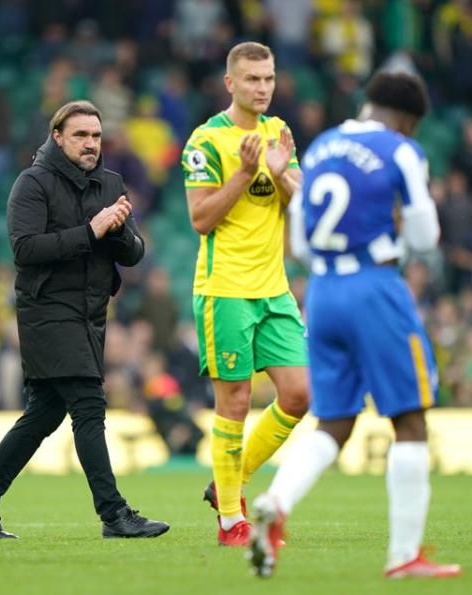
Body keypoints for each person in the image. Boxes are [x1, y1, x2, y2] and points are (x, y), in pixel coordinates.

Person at [247, 72, 461, 580]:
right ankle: (403, 556)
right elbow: (428, 237)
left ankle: (276, 502)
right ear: (409, 120)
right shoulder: (401, 150)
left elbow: (297, 243)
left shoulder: (322, 148)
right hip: (374, 287)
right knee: (409, 418)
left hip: (323, 294)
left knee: (335, 421)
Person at [0, 100, 169, 540]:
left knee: (43, 415)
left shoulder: (109, 183)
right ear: (58, 137)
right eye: (80, 136)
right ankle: (114, 514)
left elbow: (133, 253)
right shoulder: (31, 183)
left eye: (95, 136)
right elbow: (26, 250)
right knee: (89, 405)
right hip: (47, 310)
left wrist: (121, 232)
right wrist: (92, 230)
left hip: (90, 315)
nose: (91, 144)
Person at [180, 41, 310, 546]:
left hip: (274, 288)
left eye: (269, 79)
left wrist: (279, 173)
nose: (262, 88)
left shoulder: (279, 132)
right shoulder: (205, 140)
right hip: (225, 289)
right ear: (230, 83)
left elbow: (301, 201)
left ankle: (229, 483)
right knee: (234, 400)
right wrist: (243, 173)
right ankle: (231, 519)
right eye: (252, 79)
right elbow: (200, 219)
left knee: (300, 394)